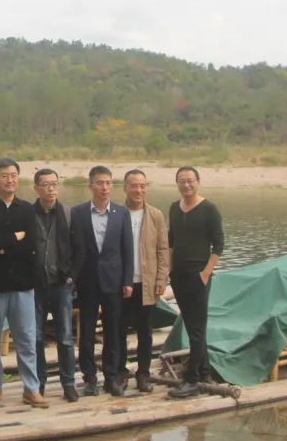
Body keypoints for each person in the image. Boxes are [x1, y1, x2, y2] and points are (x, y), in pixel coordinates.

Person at [0, 159, 48, 407]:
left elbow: (31, 245)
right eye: (4, 175)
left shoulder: (27, 209)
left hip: (23, 285)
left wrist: (0, 243)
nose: (10, 180)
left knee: (26, 338)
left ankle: (31, 388)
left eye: (14, 175)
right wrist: (14, 238)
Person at [70, 166, 134, 397]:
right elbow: (73, 249)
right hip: (87, 282)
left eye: (108, 183)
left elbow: (127, 249)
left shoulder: (121, 213)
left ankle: (111, 376)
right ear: (91, 186)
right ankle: (89, 378)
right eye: (99, 183)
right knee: (86, 332)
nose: (105, 187)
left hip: (114, 281)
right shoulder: (77, 213)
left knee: (113, 331)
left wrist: (128, 280)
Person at [167, 166, 225, 399]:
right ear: (177, 184)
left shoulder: (209, 209)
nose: (186, 185)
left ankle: (192, 380)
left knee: (197, 328)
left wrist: (205, 273)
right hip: (178, 276)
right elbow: (171, 240)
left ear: (198, 182)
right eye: (182, 181)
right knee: (192, 326)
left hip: (198, 276)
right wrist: (169, 269)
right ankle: (205, 372)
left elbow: (218, 244)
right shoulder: (174, 207)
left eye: (190, 180)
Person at [117, 169, 170, 393]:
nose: (139, 190)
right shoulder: (117, 213)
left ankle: (143, 373)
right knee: (119, 331)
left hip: (147, 284)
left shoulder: (155, 215)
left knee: (145, 332)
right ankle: (120, 372)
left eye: (142, 186)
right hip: (121, 284)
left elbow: (163, 250)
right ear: (125, 188)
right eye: (134, 186)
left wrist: (161, 278)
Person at [31, 168, 78, 402]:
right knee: (36, 338)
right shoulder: (27, 214)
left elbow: (79, 249)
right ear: (36, 188)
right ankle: (38, 384)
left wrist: (71, 277)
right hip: (36, 286)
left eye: (54, 184)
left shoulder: (68, 214)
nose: (51, 189)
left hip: (61, 286)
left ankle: (68, 383)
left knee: (65, 338)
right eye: (46, 184)